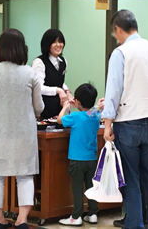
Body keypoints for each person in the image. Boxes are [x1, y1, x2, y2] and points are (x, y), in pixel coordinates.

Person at [102, 10, 148, 229]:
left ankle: (135, 225)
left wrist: (107, 124)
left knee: (131, 180)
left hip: (128, 123)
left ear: (118, 29)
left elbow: (113, 91)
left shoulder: (121, 53)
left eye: (115, 33)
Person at [0, 29, 44, 229]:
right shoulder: (30, 73)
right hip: (25, 135)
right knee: (24, 176)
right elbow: (39, 107)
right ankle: (22, 220)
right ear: (22, 49)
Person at [57, 83, 100, 226]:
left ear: (78, 102)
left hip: (77, 159)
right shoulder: (95, 115)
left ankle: (76, 216)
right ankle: (92, 213)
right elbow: (92, 111)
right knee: (91, 186)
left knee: (77, 188)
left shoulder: (75, 116)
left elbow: (59, 120)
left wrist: (65, 107)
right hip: (92, 158)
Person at [32, 29, 73, 119]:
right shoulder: (39, 62)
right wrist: (58, 90)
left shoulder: (63, 61)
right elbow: (38, 87)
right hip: (43, 110)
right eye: (54, 42)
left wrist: (67, 92)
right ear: (47, 44)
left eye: (60, 41)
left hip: (58, 109)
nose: (58, 45)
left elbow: (59, 81)